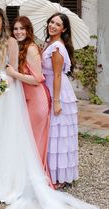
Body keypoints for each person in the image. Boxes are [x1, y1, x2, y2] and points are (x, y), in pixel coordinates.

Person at [0, 7, 98, 209]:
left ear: (2, 23)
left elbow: (13, 71)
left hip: (5, 94)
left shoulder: (11, 42)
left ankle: (11, 179)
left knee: (9, 136)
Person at [6, 16, 52, 183]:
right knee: (28, 140)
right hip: (26, 99)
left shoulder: (31, 48)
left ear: (28, 30)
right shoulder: (20, 47)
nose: (18, 32)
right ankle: (27, 178)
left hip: (36, 100)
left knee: (34, 141)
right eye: (15, 29)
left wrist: (14, 73)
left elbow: (38, 78)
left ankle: (36, 180)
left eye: (22, 29)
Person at [42, 12, 78, 189]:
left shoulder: (57, 47)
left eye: (57, 24)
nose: (53, 25)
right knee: (53, 133)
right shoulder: (49, 43)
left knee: (59, 134)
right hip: (50, 88)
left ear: (63, 29)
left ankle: (60, 176)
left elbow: (56, 75)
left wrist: (56, 101)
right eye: (51, 22)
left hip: (58, 91)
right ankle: (52, 171)